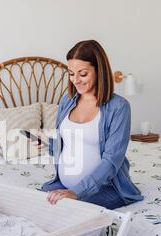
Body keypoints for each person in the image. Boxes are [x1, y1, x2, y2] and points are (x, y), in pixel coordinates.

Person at [36, 40, 143, 209]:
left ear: (99, 71)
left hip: (104, 188)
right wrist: (49, 144)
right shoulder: (67, 101)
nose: (75, 80)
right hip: (65, 186)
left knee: (67, 210)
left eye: (83, 74)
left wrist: (76, 192)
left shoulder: (119, 107)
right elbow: (70, 146)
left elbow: (112, 160)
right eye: (71, 74)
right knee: (33, 204)